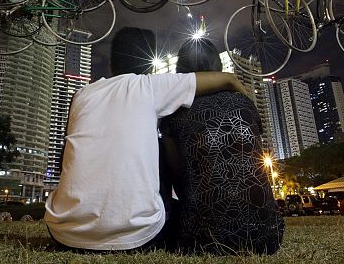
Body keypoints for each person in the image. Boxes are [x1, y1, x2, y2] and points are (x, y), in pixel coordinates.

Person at [44, 27, 250, 252]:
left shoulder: (81, 95)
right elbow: (223, 79)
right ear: (150, 67)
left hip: (64, 233)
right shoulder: (150, 86)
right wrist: (242, 100)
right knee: (160, 148)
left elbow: (63, 160)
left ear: (111, 64)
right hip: (140, 237)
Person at [159, 37, 284, 254]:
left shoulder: (173, 111)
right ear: (217, 65)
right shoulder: (244, 102)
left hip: (200, 238)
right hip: (268, 236)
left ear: (181, 68)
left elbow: (177, 173)